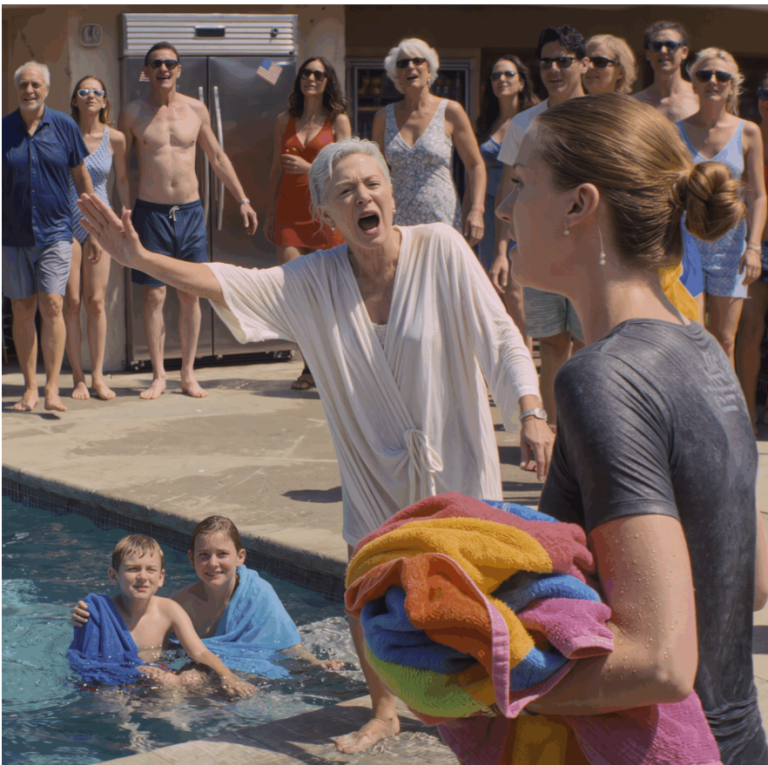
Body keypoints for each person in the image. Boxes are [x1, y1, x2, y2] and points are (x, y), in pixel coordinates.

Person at [76, 136, 554, 753]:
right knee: (366, 588)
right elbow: (226, 282)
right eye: (345, 191)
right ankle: (384, 711)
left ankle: (495, 705)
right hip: (372, 466)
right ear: (326, 213)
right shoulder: (313, 280)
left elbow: (501, 336)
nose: (363, 197)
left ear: (391, 192)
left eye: (372, 184)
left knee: (477, 587)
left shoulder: (441, 248)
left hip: (452, 455)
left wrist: (530, 410)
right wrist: (141, 256)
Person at [496, 92, 768, 764]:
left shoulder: (600, 378)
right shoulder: (702, 346)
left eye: (522, 183)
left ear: (579, 206)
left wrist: (474, 684)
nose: (505, 208)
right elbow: (753, 579)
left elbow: (659, 662)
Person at [120, 41, 259, 400]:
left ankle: (187, 374)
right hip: (150, 213)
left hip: (191, 212)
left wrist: (242, 199)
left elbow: (218, 157)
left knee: (190, 294)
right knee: (154, 296)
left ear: (179, 69)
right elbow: (121, 171)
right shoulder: (132, 113)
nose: (163, 69)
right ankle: (158, 375)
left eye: (170, 63)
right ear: (146, 71)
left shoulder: (196, 109)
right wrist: (123, 213)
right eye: (156, 64)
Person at [72, 515, 344, 671]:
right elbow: (143, 633)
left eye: (222, 554)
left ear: (240, 557)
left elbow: (286, 643)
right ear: (191, 559)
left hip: (247, 670)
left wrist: (315, 664)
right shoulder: (180, 603)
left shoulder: (258, 594)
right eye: (204, 555)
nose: (213, 564)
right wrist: (87, 616)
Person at [492, 25, 588, 425]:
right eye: (546, 62)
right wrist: (502, 249)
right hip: (538, 246)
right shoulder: (524, 123)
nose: (553, 69)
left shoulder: (601, 117)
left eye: (563, 61)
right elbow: (508, 188)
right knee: (550, 346)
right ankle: (552, 435)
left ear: (584, 64)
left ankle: (583, 435)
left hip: (588, 248)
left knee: (587, 346)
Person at [3, 61, 94, 412]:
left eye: (35, 84)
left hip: (56, 232)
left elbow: (81, 175)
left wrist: (93, 224)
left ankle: (52, 387)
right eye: (23, 85)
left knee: (53, 305)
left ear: (47, 89)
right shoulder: (3, 130)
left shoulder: (64, 126)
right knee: (22, 308)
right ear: (16, 90)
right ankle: (30, 388)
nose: (29, 90)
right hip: (12, 236)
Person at [71, 533, 257, 697]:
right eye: (132, 569)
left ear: (160, 577)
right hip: (127, 678)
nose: (142, 577)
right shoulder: (99, 613)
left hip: (161, 672)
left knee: (186, 679)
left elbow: (199, 651)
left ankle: (187, 716)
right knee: (112, 699)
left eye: (150, 570)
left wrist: (227, 676)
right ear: (113, 576)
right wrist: (81, 618)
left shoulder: (168, 610)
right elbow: (88, 660)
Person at [264, 57, 351, 391]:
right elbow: (275, 169)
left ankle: (335, 365)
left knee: (330, 295)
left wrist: (308, 167)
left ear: (328, 81)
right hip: (289, 215)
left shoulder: (338, 120)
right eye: (306, 73)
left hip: (326, 216)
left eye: (318, 74)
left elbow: (346, 169)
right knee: (298, 293)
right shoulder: (283, 120)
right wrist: (269, 213)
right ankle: (310, 367)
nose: (311, 78)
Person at [677, 49, 766, 365]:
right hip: (686, 244)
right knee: (690, 336)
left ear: (732, 85)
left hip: (731, 248)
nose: (713, 81)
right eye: (704, 75)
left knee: (725, 339)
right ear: (694, 82)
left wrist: (753, 247)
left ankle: (722, 399)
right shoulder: (676, 131)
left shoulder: (748, 131)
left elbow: (758, 195)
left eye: (722, 76)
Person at [371, 38, 486, 246]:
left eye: (417, 61)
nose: (410, 67)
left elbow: (475, 165)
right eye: (403, 63)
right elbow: (375, 172)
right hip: (399, 221)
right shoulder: (383, 117)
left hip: (442, 218)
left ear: (429, 70)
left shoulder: (450, 111)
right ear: (396, 75)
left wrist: (476, 209)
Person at [634, 21, 705, 322]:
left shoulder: (701, 99)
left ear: (684, 52)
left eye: (671, 45)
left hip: (696, 212)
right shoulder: (635, 104)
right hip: (652, 214)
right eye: (656, 45)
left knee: (698, 314)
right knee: (654, 306)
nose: (663, 50)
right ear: (647, 54)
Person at [64, 75, 129, 401]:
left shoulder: (115, 138)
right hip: (64, 223)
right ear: (75, 100)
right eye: (84, 91)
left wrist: (125, 219)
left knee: (96, 302)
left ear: (105, 101)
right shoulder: (63, 134)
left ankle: (98, 377)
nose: (90, 96)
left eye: (97, 92)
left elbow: (123, 181)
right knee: (72, 302)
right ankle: (78, 378)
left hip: (99, 225)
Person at [474, 56, 537, 356]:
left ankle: (526, 360)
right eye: (495, 75)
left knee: (516, 292)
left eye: (509, 74)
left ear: (521, 82)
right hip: (490, 212)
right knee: (493, 291)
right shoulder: (486, 122)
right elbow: (475, 171)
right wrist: (470, 211)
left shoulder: (532, 120)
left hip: (522, 208)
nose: (501, 80)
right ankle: (504, 360)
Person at [737, 73, 768, 430]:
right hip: (752, 244)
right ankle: (747, 412)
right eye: (764, 93)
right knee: (750, 328)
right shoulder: (748, 135)